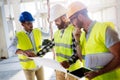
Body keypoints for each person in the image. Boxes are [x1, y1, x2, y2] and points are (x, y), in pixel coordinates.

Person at [67, 1, 120, 80]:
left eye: (72, 20)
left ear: (80, 16)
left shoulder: (104, 30)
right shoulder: (82, 35)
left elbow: (119, 57)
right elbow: (82, 59)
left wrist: (98, 73)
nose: (71, 24)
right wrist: (77, 39)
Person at [37, 4, 82, 80]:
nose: (55, 23)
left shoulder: (74, 31)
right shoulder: (57, 33)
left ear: (64, 18)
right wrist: (36, 55)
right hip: (60, 68)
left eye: (56, 20)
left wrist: (68, 62)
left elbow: (77, 53)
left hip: (74, 71)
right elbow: (50, 45)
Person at [8, 11, 44, 80]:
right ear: (22, 24)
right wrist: (22, 52)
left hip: (39, 64)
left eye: (32, 22)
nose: (31, 25)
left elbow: (49, 34)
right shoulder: (18, 35)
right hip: (28, 68)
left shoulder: (37, 31)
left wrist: (50, 23)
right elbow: (10, 48)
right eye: (28, 23)